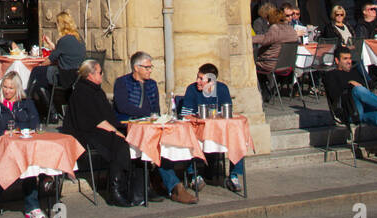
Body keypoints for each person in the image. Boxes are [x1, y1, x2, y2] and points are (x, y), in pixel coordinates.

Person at [112, 51, 195, 204]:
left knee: (166, 142)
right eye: (147, 67)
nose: (150, 70)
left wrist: (155, 117)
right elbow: (123, 106)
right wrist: (145, 114)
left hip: (149, 125)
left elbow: (155, 107)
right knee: (155, 145)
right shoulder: (122, 83)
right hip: (128, 126)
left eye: (151, 67)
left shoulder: (152, 84)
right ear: (136, 68)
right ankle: (175, 186)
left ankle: (173, 184)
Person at [323, 48, 377, 171]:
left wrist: (355, 85)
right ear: (337, 60)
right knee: (357, 89)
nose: (349, 61)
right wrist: (350, 85)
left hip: (363, 110)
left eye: (350, 58)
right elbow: (335, 96)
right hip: (348, 112)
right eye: (345, 59)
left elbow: (366, 93)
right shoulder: (330, 75)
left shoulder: (355, 72)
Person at [62, 59, 135, 208]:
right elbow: (96, 120)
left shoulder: (96, 90)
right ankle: (115, 190)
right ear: (90, 74)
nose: (103, 75)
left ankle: (132, 187)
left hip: (100, 128)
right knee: (119, 143)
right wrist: (116, 132)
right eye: (100, 72)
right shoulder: (82, 91)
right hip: (87, 132)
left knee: (130, 139)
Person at [0, 72, 45, 218]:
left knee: (29, 163)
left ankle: (32, 206)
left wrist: (21, 130)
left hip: (23, 146)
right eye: (5, 87)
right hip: (2, 147)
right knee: (4, 164)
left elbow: (34, 122)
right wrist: (3, 132)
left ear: (18, 89)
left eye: (11, 88)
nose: (7, 91)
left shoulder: (26, 103)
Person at [181, 63, 245, 193]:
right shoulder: (191, 90)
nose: (197, 81)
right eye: (197, 77)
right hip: (198, 129)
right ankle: (194, 175)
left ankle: (233, 176)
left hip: (218, 130)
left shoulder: (222, 89)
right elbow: (185, 114)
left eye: (201, 79)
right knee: (188, 137)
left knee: (237, 137)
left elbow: (227, 111)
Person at [30, 10, 87, 109]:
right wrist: (51, 44)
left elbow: (50, 60)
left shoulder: (64, 40)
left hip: (65, 76)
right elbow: (62, 52)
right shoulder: (79, 38)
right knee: (42, 74)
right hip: (77, 75)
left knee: (37, 73)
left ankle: (50, 112)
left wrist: (39, 65)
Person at [254, 7, 300, 85]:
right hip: (287, 63)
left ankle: (264, 89)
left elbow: (265, 40)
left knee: (252, 60)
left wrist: (249, 38)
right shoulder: (291, 29)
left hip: (272, 63)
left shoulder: (275, 29)